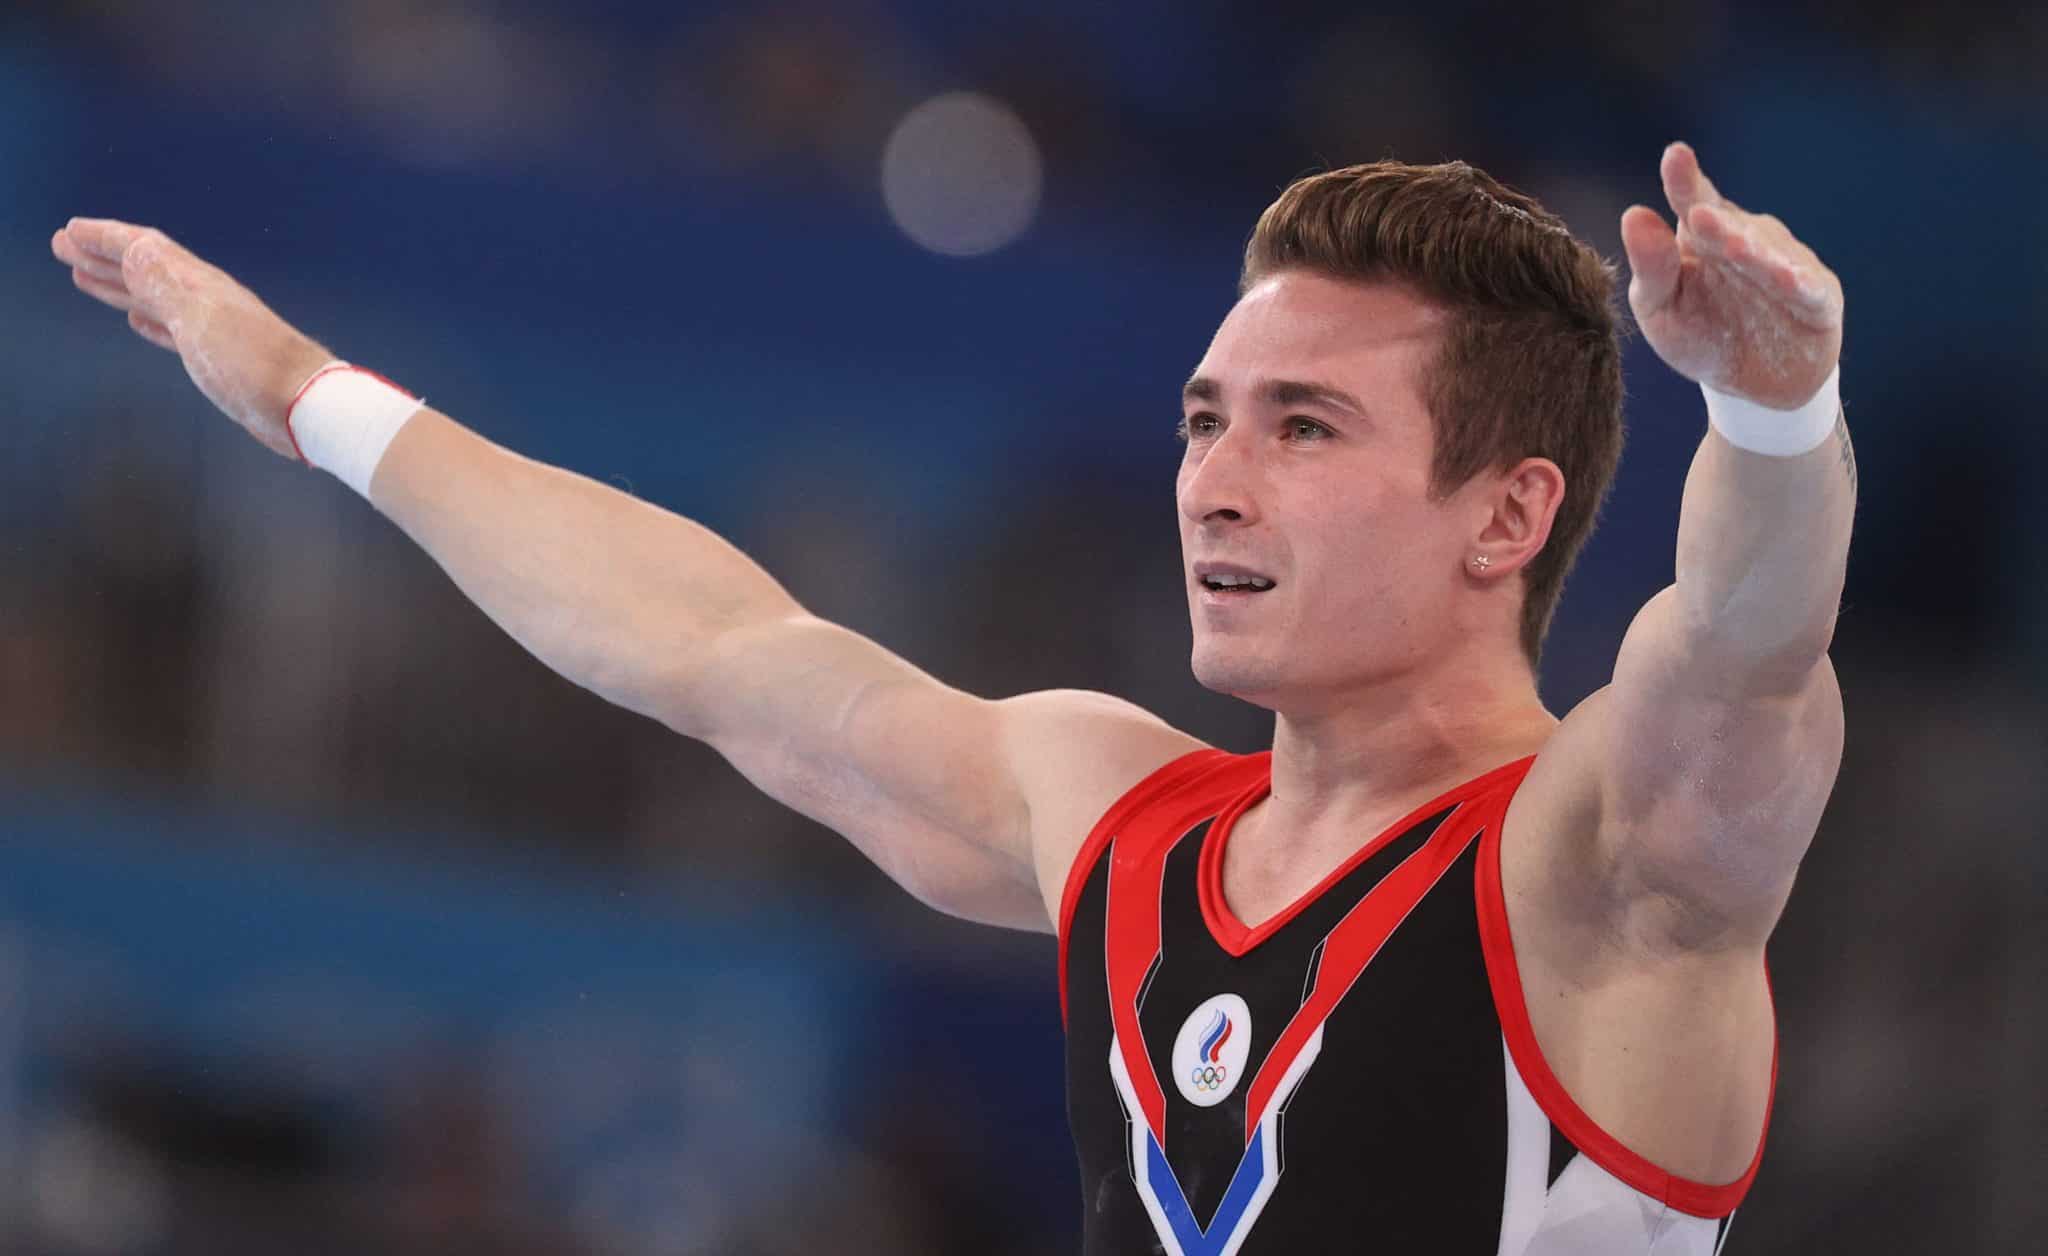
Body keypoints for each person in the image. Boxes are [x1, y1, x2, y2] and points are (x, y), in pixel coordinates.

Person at [50, 141, 1851, 1255]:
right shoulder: (1113, 815)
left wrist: (1777, 419)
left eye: (1305, 429)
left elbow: (1743, 648)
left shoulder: (1600, 867)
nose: (1215, 485)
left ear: (1508, 517)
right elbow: (707, 645)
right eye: (1204, 422)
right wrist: (311, 401)